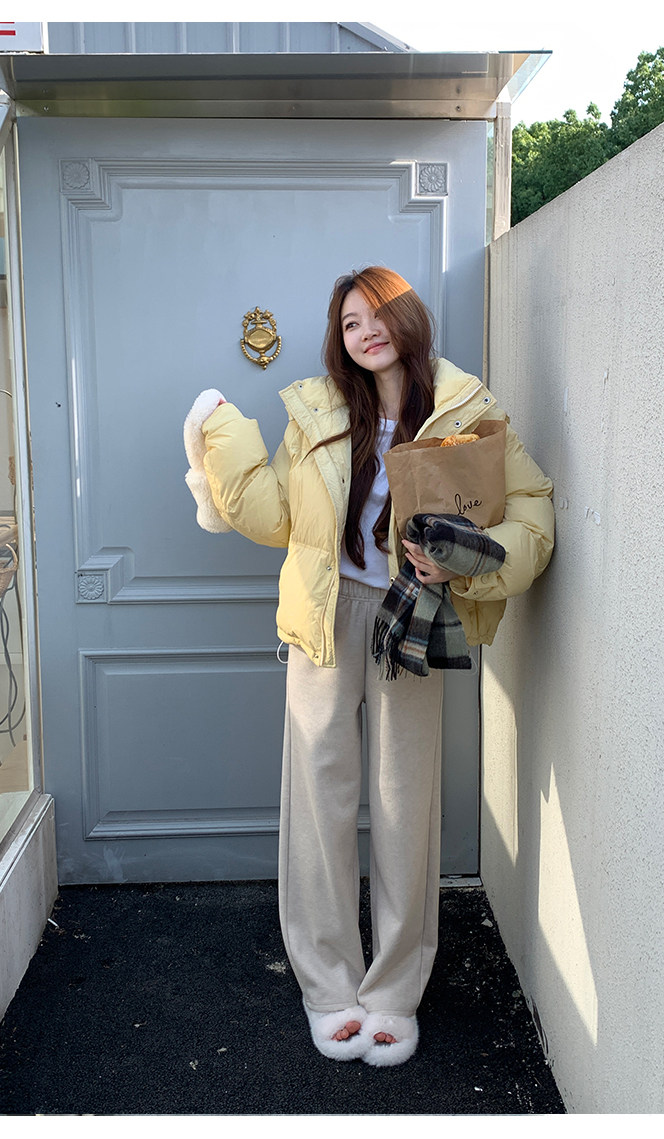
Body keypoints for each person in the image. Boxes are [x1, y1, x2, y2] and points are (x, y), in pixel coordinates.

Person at [184, 266, 554, 1067]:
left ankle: (392, 990)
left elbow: (534, 514)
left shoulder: (468, 410)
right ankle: (327, 985)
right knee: (317, 800)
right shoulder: (318, 410)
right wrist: (221, 434)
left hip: (411, 612)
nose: (365, 331)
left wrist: (467, 560)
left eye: (376, 314)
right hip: (326, 616)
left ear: (407, 317)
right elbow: (281, 515)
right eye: (349, 323)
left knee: (403, 800)